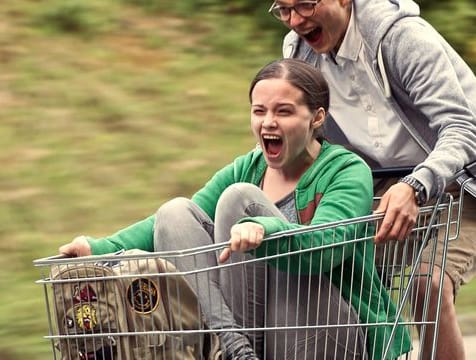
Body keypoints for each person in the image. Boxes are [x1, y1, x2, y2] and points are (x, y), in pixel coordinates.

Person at [59, 58, 410, 359]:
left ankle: (234, 347)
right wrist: (97, 248)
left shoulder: (346, 170)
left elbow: (326, 247)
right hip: (252, 331)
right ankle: (234, 347)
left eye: (283, 111)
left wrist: (265, 229)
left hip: (327, 327)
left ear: (317, 118)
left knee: (238, 199)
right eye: (259, 111)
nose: (268, 122)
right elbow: (172, 228)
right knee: (174, 212)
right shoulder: (250, 165)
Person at [267, 0, 476, 358]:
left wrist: (415, 185)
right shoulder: (300, 55)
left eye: (304, 4)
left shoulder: (401, 37)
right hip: (386, 184)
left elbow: (460, 129)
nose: (296, 20)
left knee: (428, 285)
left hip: (463, 179)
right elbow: (308, 136)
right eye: (283, 10)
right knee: (342, 273)